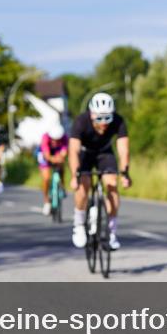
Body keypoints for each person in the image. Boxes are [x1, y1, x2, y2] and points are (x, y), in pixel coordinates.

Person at [68, 93, 131, 249]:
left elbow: (123, 149)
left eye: (107, 118)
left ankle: (112, 232)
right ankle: (79, 224)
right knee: (83, 185)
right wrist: (75, 175)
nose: (104, 123)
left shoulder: (118, 120)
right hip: (85, 153)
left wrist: (125, 173)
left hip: (104, 153)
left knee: (112, 184)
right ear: (92, 114)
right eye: (100, 118)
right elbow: (73, 151)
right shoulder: (81, 121)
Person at [39, 122, 68, 216]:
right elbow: (46, 155)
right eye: (53, 139)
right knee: (46, 178)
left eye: (57, 140)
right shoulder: (45, 138)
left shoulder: (65, 138)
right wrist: (52, 159)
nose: (55, 142)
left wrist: (60, 158)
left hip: (57, 153)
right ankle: (46, 201)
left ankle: (62, 185)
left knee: (61, 165)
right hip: (45, 155)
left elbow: (64, 152)